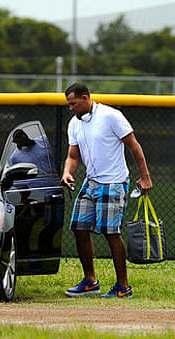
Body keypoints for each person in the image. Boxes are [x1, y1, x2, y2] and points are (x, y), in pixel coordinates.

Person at [61, 83, 152, 298]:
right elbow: (73, 156)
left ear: (85, 98)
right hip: (91, 182)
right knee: (79, 228)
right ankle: (90, 282)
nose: (71, 108)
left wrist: (145, 176)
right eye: (68, 105)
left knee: (111, 233)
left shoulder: (111, 116)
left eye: (73, 103)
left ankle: (123, 286)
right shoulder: (74, 123)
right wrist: (67, 172)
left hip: (113, 181)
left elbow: (133, 145)